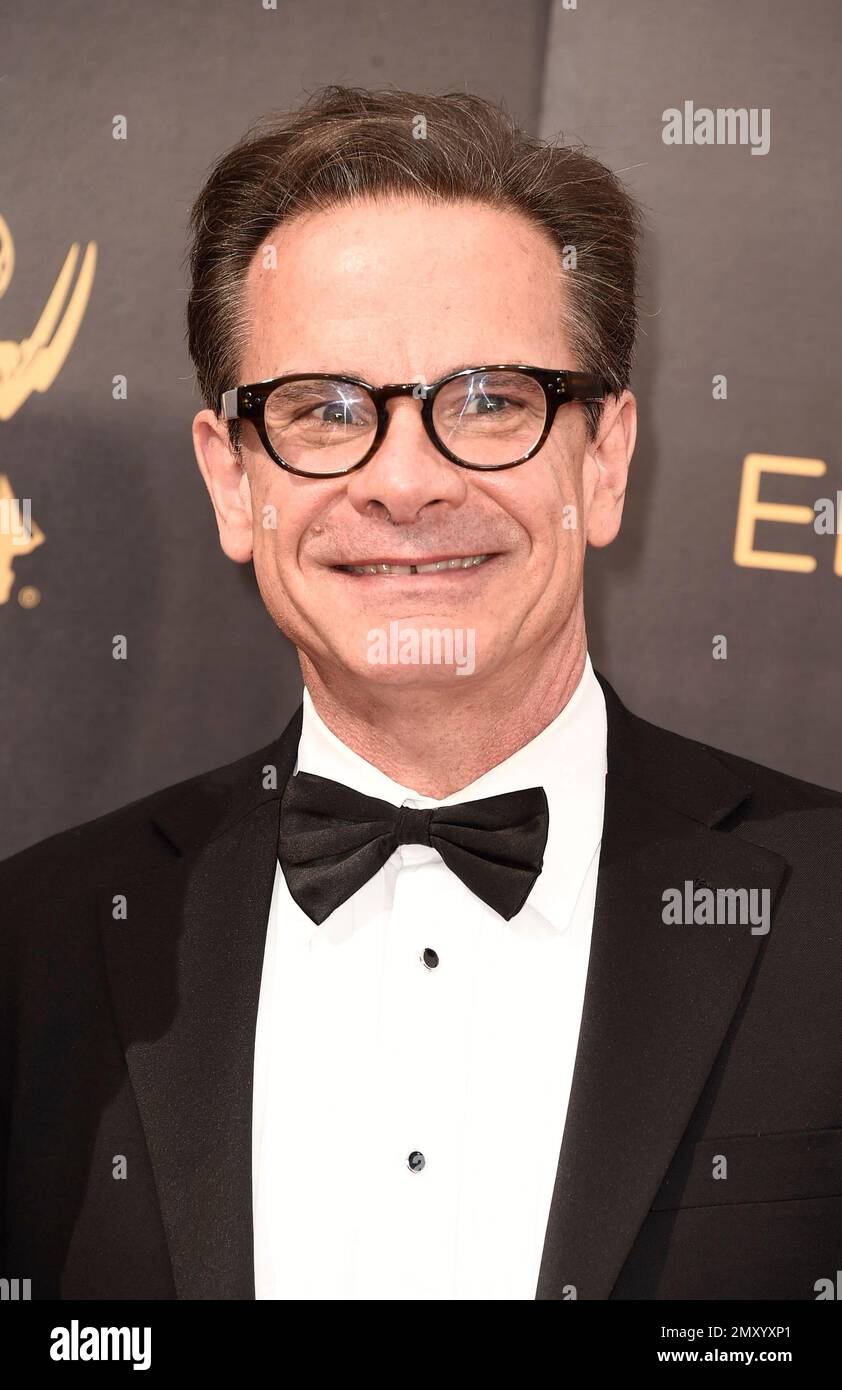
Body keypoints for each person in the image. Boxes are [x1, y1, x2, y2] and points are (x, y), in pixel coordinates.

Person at [1, 86, 840, 1302]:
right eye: (324, 412)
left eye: (490, 400)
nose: (404, 480)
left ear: (603, 462)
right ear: (234, 484)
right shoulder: (39, 946)